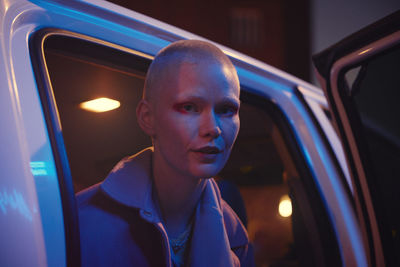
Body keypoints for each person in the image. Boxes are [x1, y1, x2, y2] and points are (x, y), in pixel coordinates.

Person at [77, 39, 254, 267]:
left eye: (226, 109)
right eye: (189, 107)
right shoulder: (82, 222)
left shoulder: (235, 236)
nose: (213, 128)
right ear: (147, 118)